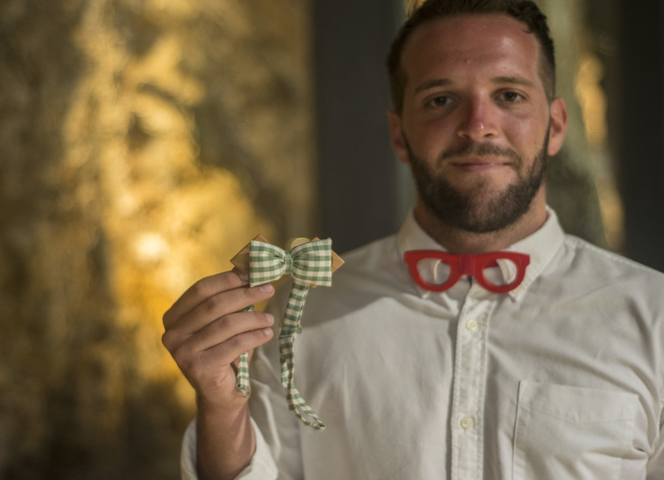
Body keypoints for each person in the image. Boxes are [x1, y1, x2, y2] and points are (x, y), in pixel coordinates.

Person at [162, 0, 664, 478]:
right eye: (441, 100)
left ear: (555, 125)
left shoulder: (654, 316)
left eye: (509, 95)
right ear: (399, 135)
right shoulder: (302, 315)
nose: (478, 126)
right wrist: (222, 410)